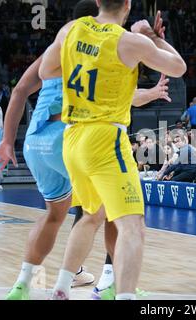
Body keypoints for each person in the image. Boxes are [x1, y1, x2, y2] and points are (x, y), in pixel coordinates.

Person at [0, 0, 175, 300]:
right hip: (77, 132)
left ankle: (26, 282)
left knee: (57, 215)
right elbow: (117, 92)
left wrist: (8, 140)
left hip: (37, 141)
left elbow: (20, 88)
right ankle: (110, 279)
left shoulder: (62, 45)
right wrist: (151, 49)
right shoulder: (102, 46)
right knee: (110, 211)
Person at [39, 0, 186, 300]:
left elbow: (45, 70)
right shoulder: (129, 41)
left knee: (90, 215)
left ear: (96, 2)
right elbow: (179, 67)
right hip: (105, 137)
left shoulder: (71, 29)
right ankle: (126, 297)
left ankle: (62, 289)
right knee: (133, 226)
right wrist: (152, 36)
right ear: (128, 5)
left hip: (73, 137)